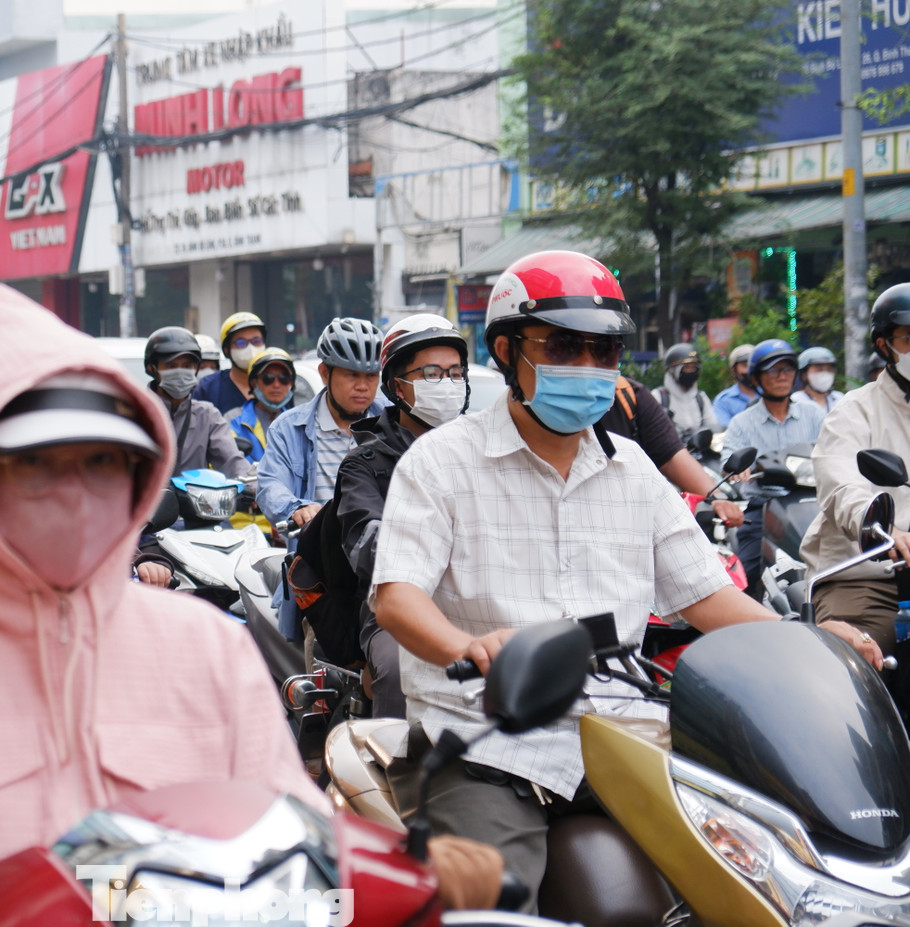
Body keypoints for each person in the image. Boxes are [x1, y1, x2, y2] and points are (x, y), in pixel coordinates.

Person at [0, 283, 506, 927]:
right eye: (36, 465)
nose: (75, 492)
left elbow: (289, 834)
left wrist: (404, 873)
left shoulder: (204, 646)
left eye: (101, 462)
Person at [370, 250, 879, 912]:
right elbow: (397, 595)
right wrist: (467, 647)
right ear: (507, 350)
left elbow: (706, 596)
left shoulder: (636, 469)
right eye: (563, 347)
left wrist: (807, 638)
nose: (586, 367)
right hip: (485, 739)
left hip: (624, 736)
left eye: (602, 351)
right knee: (492, 905)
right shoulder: (441, 461)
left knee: (759, 881)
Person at [337, 314, 470, 720]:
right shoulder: (365, 463)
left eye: (455, 373)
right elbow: (368, 547)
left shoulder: (483, 451)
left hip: (485, 599)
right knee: (399, 671)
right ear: (398, 386)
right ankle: (393, 773)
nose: (446, 383)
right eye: (431, 373)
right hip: (398, 611)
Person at [801, 284, 910, 653]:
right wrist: (879, 524)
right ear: (885, 347)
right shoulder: (854, 410)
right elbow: (840, 482)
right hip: (866, 573)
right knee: (854, 659)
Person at [257, 317, 384, 530]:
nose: (363, 386)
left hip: (379, 555)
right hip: (315, 556)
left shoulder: (391, 424)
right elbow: (270, 485)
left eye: (371, 376)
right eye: (352, 375)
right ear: (325, 374)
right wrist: (297, 509)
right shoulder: (287, 429)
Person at [722, 338, 825, 600]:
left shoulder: (814, 414)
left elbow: (834, 451)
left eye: (788, 369)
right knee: (744, 574)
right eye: (772, 370)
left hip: (815, 503)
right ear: (756, 378)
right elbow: (728, 461)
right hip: (763, 507)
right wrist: (738, 469)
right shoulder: (742, 423)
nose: (782, 376)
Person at [600, 378, 744, 528]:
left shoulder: (628, 393)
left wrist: (716, 498)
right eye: (577, 355)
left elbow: (671, 455)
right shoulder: (659, 395)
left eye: (607, 355)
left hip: (631, 519)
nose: (591, 365)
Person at [143, 326, 248, 478]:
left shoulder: (207, 415)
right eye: (171, 365)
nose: (180, 371)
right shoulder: (134, 411)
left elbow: (231, 460)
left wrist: (253, 486)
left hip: (198, 500)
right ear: (152, 368)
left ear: (196, 368)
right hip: (145, 499)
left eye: (187, 366)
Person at [227, 347, 296, 464]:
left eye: (283, 378)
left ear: (291, 383)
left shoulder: (298, 423)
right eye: (268, 378)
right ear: (254, 383)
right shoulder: (233, 421)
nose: (276, 385)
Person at [191, 311, 266, 414]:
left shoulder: (281, 382)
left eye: (256, 341)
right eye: (241, 343)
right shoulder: (208, 388)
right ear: (226, 350)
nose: (250, 348)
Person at [653, 342, 719, 442]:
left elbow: (713, 428)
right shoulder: (658, 397)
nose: (691, 371)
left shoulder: (701, 398)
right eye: (686, 368)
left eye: (694, 368)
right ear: (672, 370)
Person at [713, 343, 757, 425]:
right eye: (745, 365)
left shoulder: (771, 393)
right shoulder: (723, 401)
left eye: (754, 365)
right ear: (733, 371)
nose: (751, 370)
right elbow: (726, 432)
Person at [792, 345, 844, 412]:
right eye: (819, 369)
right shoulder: (795, 401)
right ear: (804, 375)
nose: (825, 374)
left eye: (829, 369)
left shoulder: (840, 398)